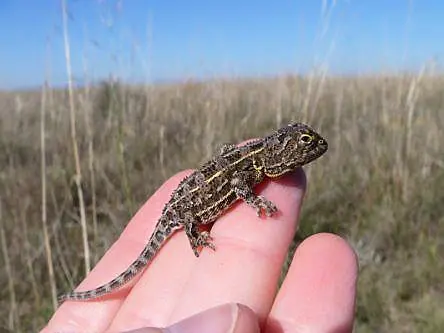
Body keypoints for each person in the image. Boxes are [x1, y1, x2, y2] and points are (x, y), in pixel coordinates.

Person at [41, 168, 358, 333]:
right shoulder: (252, 168)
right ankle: (192, 234)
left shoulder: (255, 162)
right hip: (184, 212)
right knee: (138, 262)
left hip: (187, 202)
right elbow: (237, 185)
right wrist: (256, 202)